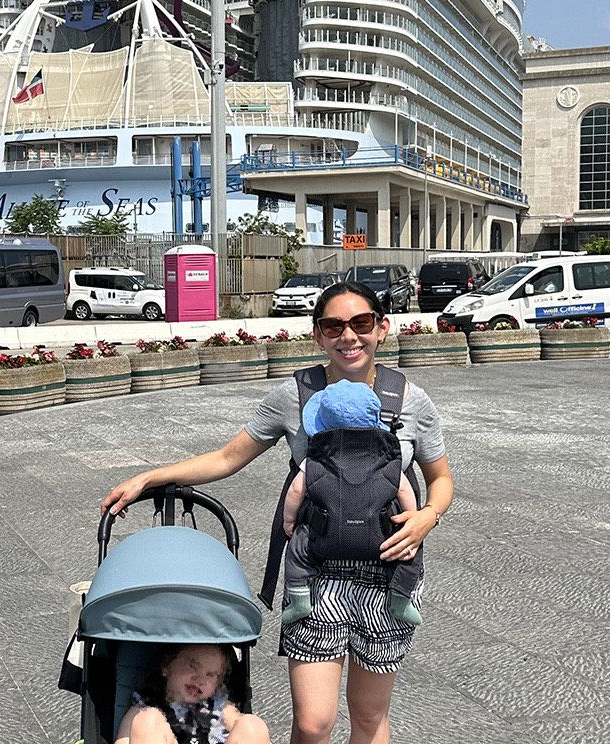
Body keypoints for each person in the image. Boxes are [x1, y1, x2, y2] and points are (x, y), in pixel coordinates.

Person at [102, 281, 454, 744]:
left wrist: (428, 516)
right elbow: (228, 457)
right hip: (315, 573)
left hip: (390, 572)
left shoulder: (410, 400)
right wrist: (150, 478)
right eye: (334, 326)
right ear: (318, 335)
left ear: (382, 328)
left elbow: (440, 478)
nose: (349, 336)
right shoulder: (296, 395)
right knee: (313, 722)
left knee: (369, 717)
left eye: (362, 323)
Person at [281, 379, 424, 626]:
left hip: (323, 538)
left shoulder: (316, 460)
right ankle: (400, 599)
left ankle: (300, 598)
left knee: (297, 550)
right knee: (409, 550)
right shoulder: (386, 460)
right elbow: (404, 489)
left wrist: (289, 521)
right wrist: (412, 519)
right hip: (382, 539)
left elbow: (295, 491)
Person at [117, 643, 270, 744]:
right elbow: (123, 740)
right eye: (192, 666)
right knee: (146, 721)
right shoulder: (145, 705)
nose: (200, 679)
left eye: (210, 674)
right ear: (166, 666)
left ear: (217, 685)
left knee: (253, 725)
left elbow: (247, 733)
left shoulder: (220, 707)